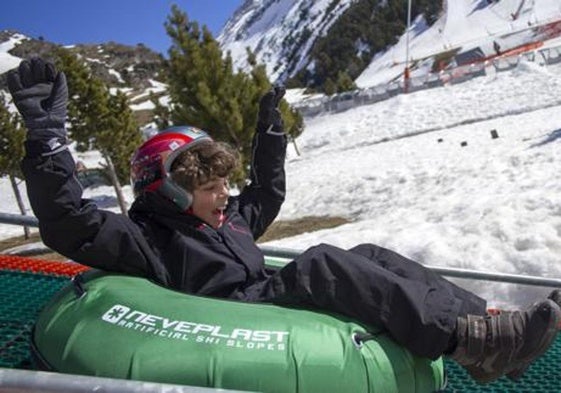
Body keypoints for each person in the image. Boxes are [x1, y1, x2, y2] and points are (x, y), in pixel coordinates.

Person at [8, 57, 561, 384]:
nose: (224, 196)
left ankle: (486, 327)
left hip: (262, 295)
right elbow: (68, 221)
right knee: (321, 263)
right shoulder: (146, 238)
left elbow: (265, 194)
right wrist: (47, 138)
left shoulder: (226, 221)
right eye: (209, 188)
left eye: (224, 185)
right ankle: (473, 339)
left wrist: (269, 134)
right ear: (168, 191)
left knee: (367, 253)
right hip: (230, 314)